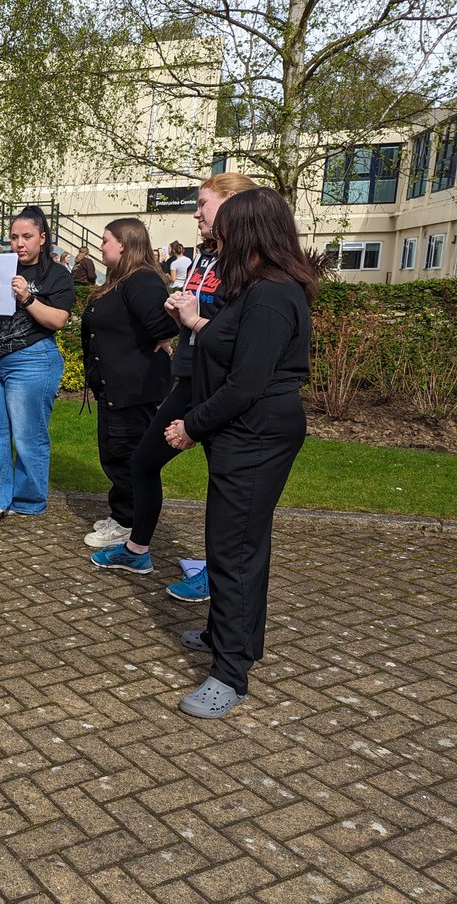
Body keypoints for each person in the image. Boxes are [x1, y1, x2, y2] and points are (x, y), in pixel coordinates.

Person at [164, 187, 316, 719]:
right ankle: (228, 638)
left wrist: (191, 426)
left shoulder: (272, 295)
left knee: (235, 552)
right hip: (242, 433)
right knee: (239, 544)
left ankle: (230, 674)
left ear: (249, 231)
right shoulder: (253, 291)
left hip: (254, 434)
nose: (216, 235)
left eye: (225, 227)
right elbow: (231, 352)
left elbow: (246, 383)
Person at [91, 174, 259, 594]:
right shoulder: (207, 256)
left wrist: (190, 321)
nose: (196, 212)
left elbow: (241, 332)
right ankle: (137, 550)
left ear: (235, 204)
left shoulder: (252, 264)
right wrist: (179, 314)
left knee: (227, 484)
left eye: (203, 203)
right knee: (143, 461)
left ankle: (218, 576)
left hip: (226, 384)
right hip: (189, 377)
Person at [0, 206, 75, 524]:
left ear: (43, 238)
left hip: (32, 360)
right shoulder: (3, 267)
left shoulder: (57, 274)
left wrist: (28, 297)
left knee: (28, 436)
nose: (19, 243)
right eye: (14, 237)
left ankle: (28, 501)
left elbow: (58, 320)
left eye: (27, 236)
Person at [81, 218, 179, 549]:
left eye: (105, 240)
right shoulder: (121, 280)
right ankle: (123, 513)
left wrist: (164, 337)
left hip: (133, 391)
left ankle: (129, 523)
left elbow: (165, 323)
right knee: (116, 453)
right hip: (117, 389)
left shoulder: (142, 281)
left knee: (125, 455)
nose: (101, 245)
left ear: (123, 243)